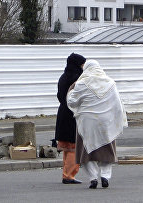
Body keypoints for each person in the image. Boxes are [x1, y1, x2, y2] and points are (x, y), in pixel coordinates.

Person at [67, 59, 128, 189]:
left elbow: (72, 102)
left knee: (86, 151)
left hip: (87, 121)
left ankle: (93, 178)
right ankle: (105, 176)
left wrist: (71, 91)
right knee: (107, 150)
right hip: (106, 122)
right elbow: (117, 103)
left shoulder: (81, 83)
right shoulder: (110, 83)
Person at [54, 53, 86, 184]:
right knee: (74, 146)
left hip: (63, 112)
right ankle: (69, 175)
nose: (84, 66)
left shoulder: (63, 77)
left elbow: (59, 95)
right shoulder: (77, 78)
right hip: (73, 114)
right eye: (82, 63)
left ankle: (66, 173)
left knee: (67, 147)